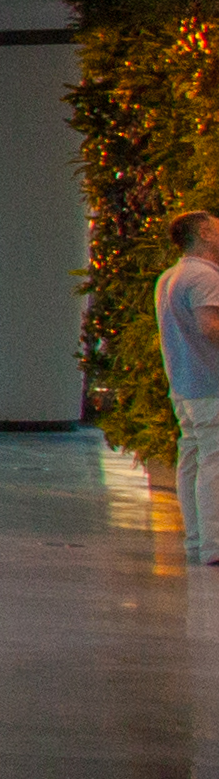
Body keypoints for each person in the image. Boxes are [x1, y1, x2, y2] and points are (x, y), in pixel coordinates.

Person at [164, 210, 219, 563]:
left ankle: (198, 539)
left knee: (193, 459)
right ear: (204, 232)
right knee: (214, 461)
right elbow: (209, 326)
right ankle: (214, 545)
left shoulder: (172, 276)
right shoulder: (203, 276)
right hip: (211, 385)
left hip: (184, 385)